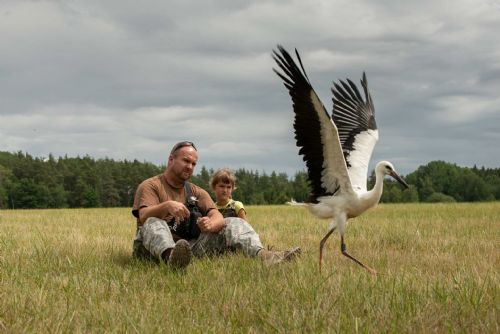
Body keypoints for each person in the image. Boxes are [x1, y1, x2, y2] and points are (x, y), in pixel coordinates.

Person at [132, 141, 301, 269]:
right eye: (186, 161)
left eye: (193, 164)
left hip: (187, 249)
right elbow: (143, 216)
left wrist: (211, 223)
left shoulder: (196, 192)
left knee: (233, 221)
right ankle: (171, 258)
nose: (190, 167)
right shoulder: (150, 185)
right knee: (153, 222)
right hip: (150, 250)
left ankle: (265, 256)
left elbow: (217, 215)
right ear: (171, 159)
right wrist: (166, 206)